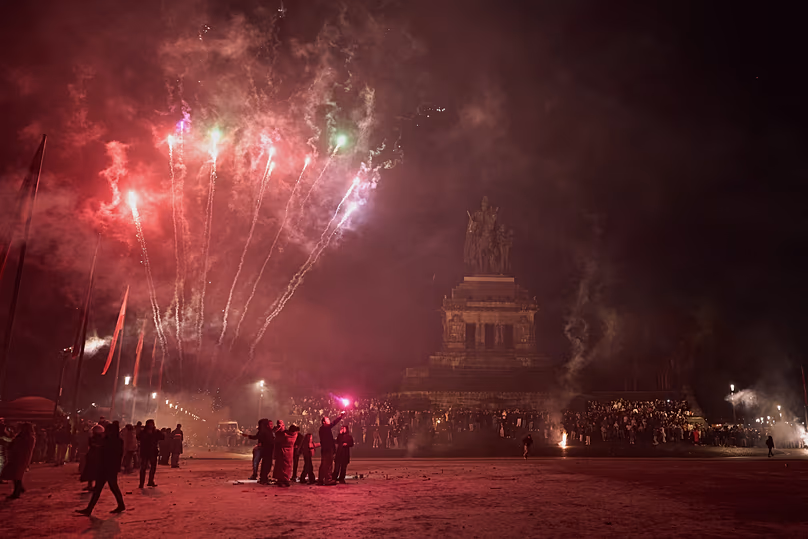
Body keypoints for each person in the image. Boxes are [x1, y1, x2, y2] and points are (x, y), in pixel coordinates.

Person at [76, 422, 125, 515]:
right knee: (104, 488)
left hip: (109, 468)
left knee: (106, 488)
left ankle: (89, 509)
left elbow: (116, 455)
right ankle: (89, 509)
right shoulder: (110, 440)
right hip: (105, 467)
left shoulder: (116, 441)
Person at [1, 423, 35, 499]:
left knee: (16, 475)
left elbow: (17, 446)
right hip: (21, 458)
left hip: (18, 458)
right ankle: (20, 489)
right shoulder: (28, 437)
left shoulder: (24, 438)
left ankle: (17, 492)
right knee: (17, 475)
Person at [241, 419, 274, 484]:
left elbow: (257, 437)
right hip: (267, 450)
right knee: (265, 464)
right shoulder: (266, 431)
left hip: (266, 450)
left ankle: (262, 477)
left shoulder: (265, 431)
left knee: (264, 464)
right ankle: (262, 477)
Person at [318, 411, 345, 486]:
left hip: (326, 449)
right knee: (328, 464)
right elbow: (333, 423)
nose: (329, 421)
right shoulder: (324, 428)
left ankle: (321, 480)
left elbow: (328, 439)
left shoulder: (324, 429)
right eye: (327, 419)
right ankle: (328, 479)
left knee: (324, 464)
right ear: (324, 422)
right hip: (327, 449)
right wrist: (340, 416)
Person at [137, 419, 163, 488]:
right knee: (143, 468)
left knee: (153, 467)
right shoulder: (143, 432)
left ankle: (150, 481)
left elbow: (162, 437)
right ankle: (141, 483)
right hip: (145, 452)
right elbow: (138, 437)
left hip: (153, 452)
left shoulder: (155, 432)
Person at [80, 425, 105, 491]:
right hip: (95, 457)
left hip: (94, 457)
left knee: (92, 472)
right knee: (93, 472)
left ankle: (91, 485)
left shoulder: (97, 439)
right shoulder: (97, 439)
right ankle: (91, 485)